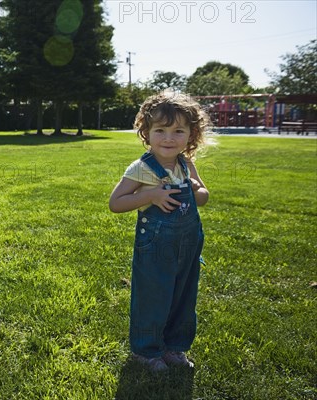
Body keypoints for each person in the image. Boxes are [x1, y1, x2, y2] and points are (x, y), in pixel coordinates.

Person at [109, 91, 211, 372]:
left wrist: (196, 188)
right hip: (155, 246)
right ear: (147, 132)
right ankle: (147, 351)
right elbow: (116, 203)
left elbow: (203, 196)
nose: (169, 138)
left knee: (182, 297)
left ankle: (174, 347)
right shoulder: (142, 168)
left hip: (188, 245)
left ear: (191, 134)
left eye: (178, 131)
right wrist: (150, 195)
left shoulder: (186, 164)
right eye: (161, 130)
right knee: (153, 297)